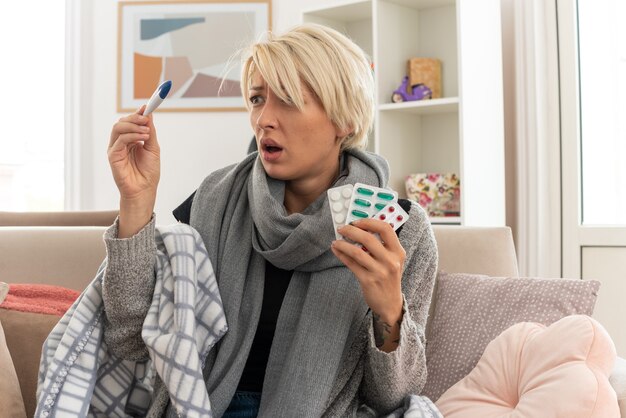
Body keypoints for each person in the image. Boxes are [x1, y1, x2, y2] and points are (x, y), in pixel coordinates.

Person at [104, 23, 437, 417]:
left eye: (289, 101)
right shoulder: (213, 203)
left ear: (344, 119)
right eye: (258, 99)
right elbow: (129, 339)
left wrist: (389, 314)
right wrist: (136, 200)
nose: (264, 118)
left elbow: (392, 399)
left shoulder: (402, 229)